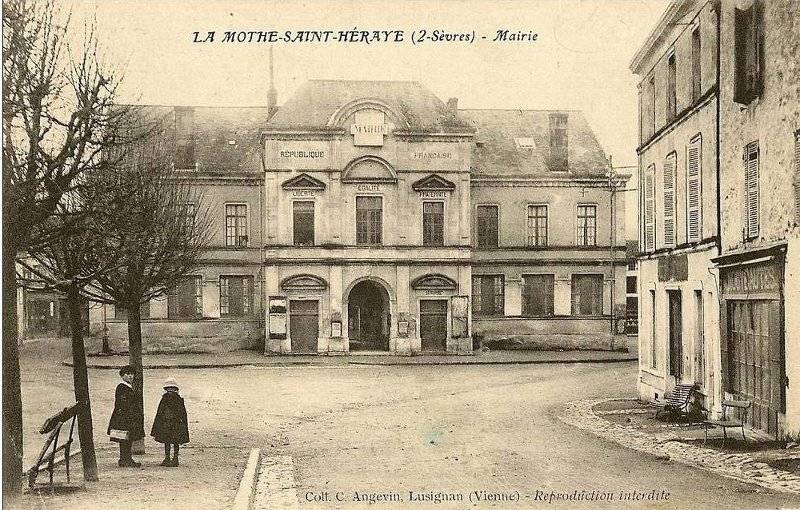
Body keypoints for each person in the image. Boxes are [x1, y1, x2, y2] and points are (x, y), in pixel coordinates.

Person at [107, 365, 144, 467]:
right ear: (122, 376)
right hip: (124, 417)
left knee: (128, 439)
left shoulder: (129, 387)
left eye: (132, 374)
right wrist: (130, 414)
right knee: (124, 439)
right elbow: (123, 403)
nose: (130, 376)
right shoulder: (121, 387)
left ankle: (127, 459)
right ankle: (124, 459)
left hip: (129, 416)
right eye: (127, 374)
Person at [150, 377, 189, 467]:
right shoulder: (177, 399)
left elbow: (159, 413)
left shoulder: (167, 399)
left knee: (169, 442)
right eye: (169, 388)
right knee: (172, 442)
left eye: (172, 388)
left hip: (169, 424)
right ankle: (172, 458)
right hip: (172, 424)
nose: (170, 390)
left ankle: (171, 458)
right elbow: (183, 414)